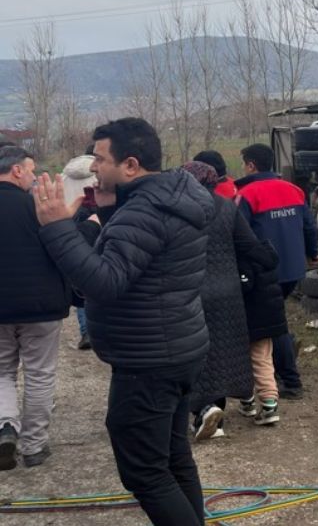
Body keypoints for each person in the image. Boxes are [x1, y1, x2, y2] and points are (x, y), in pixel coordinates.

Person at [35, 117, 214, 526]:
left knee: (145, 473)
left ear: (130, 164)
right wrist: (107, 211)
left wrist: (57, 228)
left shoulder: (144, 211)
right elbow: (138, 260)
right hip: (177, 347)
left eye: (100, 159)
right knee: (173, 458)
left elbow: (104, 283)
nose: (93, 167)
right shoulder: (172, 195)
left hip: (148, 361)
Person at [180, 161, 264, 441]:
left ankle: (202, 409)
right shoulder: (227, 207)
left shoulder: (178, 208)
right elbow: (248, 244)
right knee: (223, 352)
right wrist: (269, 262)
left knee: (194, 352)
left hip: (190, 290)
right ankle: (217, 415)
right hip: (228, 291)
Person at [0, 145, 70, 470]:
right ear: (16, 170)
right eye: (30, 169)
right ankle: (34, 446)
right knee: (39, 374)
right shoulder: (40, 207)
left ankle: (5, 426)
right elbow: (65, 248)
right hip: (42, 306)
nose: (33, 175)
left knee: (1, 371)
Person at [234, 143, 317, 400]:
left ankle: (290, 381)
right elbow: (309, 226)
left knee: (273, 326)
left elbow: (238, 234)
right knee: (276, 318)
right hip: (294, 268)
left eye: (244, 164)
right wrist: (312, 254)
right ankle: (284, 362)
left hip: (264, 272)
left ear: (251, 165)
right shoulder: (293, 189)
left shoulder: (246, 195)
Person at [236, 235, 288, 427]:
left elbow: (244, 285)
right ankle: (269, 404)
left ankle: (248, 400)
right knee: (263, 359)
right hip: (269, 319)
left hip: (249, 318)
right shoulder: (266, 252)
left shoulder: (242, 258)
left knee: (242, 359)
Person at [61, 144, 98, 350]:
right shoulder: (101, 169)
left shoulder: (66, 173)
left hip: (69, 224)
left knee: (80, 278)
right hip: (97, 222)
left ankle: (86, 331)